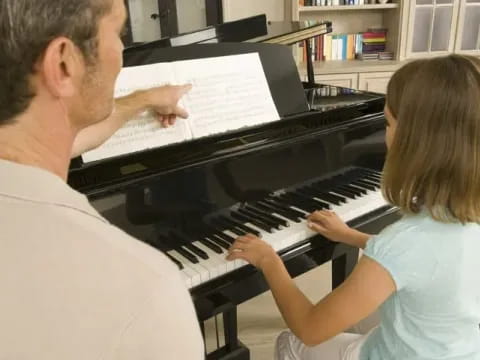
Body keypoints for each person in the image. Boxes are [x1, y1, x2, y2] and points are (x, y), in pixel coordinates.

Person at [227, 55, 480, 360]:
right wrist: (350, 235)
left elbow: (309, 328)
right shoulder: (460, 217)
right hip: (458, 348)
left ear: (415, 142)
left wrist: (269, 260)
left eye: (387, 122)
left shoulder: (404, 243)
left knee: (290, 342)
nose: (384, 133)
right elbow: (428, 261)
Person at [0, 0, 204, 359]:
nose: (124, 49)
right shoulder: (146, 292)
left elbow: (62, 139)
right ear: (63, 63)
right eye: (117, 32)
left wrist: (140, 100)